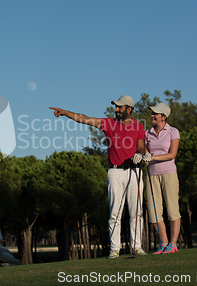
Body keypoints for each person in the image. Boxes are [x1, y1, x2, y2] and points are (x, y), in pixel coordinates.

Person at [50, 95, 147, 259]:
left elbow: (141, 147)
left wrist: (142, 155)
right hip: (115, 172)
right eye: (116, 107)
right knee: (115, 213)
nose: (116, 110)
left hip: (134, 171)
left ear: (129, 109)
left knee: (136, 212)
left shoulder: (138, 127)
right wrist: (65, 112)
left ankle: (137, 247)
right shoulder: (109, 124)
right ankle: (114, 249)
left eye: (120, 107)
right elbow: (86, 119)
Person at [142, 102, 181, 254]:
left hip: (169, 173)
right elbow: (146, 152)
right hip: (152, 175)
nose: (152, 115)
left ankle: (173, 244)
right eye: (152, 112)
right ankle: (164, 244)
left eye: (155, 113)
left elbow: (172, 154)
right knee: (154, 212)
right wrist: (145, 157)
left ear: (163, 117)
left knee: (172, 210)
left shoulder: (173, 132)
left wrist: (152, 158)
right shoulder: (147, 133)